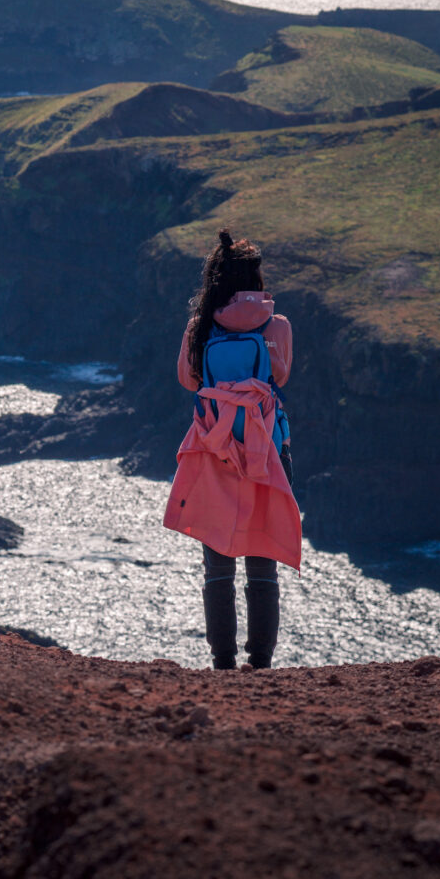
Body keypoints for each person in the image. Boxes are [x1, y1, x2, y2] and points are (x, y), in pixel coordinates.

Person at [163, 229, 301, 670]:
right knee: (264, 563)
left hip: (214, 450)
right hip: (267, 450)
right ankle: (260, 660)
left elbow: (189, 381)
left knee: (217, 568)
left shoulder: (199, 326)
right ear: (255, 279)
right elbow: (281, 375)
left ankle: (222, 660)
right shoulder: (276, 325)